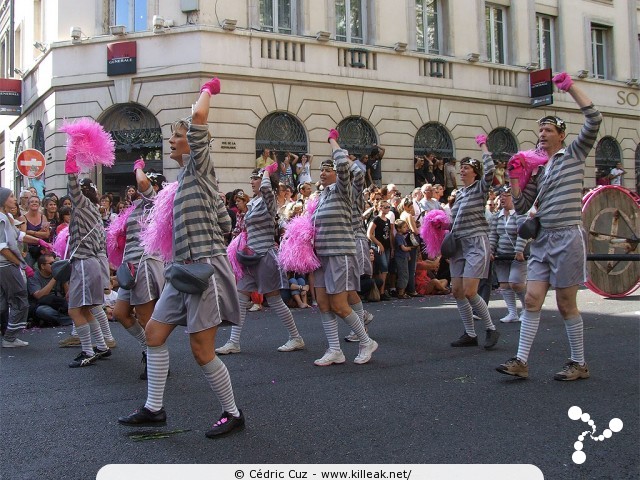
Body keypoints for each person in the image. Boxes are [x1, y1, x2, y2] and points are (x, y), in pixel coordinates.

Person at [118, 77, 246, 438]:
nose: (172, 139)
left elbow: (200, 115)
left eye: (177, 135)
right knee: (155, 334)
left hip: (203, 271)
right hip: (179, 272)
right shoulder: (184, 183)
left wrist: (209, 88)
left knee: (201, 351)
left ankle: (233, 412)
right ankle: (154, 409)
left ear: (193, 144)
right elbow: (222, 220)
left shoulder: (200, 165)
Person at [496, 73, 602, 381]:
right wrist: (514, 174)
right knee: (531, 299)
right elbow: (520, 205)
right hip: (542, 239)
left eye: (549, 129)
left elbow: (594, 118)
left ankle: (579, 363)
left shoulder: (573, 154)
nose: (542, 134)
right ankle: (520, 361)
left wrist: (569, 88)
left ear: (561, 135)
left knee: (566, 303)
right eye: (540, 129)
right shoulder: (540, 170)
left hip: (568, 236)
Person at [216, 163, 305, 355]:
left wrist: (266, 171)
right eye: (252, 178)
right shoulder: (254, 202)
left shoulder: (269, 199)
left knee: (274, 300)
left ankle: (296, 337)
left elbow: (266, 188)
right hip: (250, 258)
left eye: (255, 178)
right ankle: (233, 342)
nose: (252, 181)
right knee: (240, 297)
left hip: (265, 256)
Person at [312, 129, 378, 366]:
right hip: (321, 255)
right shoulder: (321, 196)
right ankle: (334, 350)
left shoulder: (344, 190)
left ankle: (365, 341)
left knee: (340, 305)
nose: (323, 172)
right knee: (323, 303)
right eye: (321, 169)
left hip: (340, 253)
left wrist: (333, 141)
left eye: (328, 169)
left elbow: (345, 167)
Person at [112, 161, 167, 380]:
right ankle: (150, 350)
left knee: (146, 319)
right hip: (131, 265)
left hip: (144, 265)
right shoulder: (137, 208)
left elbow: (142, 182)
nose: (138, 186)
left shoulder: (154, 202)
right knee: (120, 314)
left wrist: (137, 166)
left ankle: (158, 363)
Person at [448, 137, 500, 350]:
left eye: (466, 167)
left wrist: (483, 146)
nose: (462, 171)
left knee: (470, 291)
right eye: (461, 168)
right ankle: (470, 333)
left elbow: (490, 172)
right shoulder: (459, 194)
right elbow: (453, 219)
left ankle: (490, 328)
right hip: (458, 244)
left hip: (476, 242)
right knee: (457, 291)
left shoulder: (480, 188)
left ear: (475, 172)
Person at [0, 188, 49, 347]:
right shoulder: (1, 218)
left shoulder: (7, 217)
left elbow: (19, 235)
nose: (14, 199)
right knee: (20, 299)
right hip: (6, 265)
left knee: (3, 303)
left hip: (7, 265)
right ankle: (9, 338)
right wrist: (20, 263)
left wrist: (40, 241)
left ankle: (10, 336)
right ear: (3, 200)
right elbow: (2, 248)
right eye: (11, 196)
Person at [489, 186, 527, 323]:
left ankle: (526, 309)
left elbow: (523, 234)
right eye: (502, 195)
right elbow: (493, 235)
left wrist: (519, 250)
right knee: (504, 285)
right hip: (502, 255)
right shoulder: (496, 217)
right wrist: (491, 250)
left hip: (517, 255)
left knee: (516, 283)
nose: (503, 198)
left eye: (507, 195)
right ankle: (512, 312)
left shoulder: (520, 214)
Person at [27, 253, 72, 327]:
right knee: (43, 311)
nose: (54, 265)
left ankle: (66, 319)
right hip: (44, 304)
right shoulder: (34, 277)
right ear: (42, 266)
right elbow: (39, 296)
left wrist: (64, 280)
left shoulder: (59, 273)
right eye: (51, 263)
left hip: (60, 303)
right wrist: (54, 278)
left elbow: (69, 297)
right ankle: (71, 320)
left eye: (55, 263)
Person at [367, 199, 393, 301]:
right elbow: (369, 234)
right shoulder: (376, 219)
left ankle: (381, 291)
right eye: (385, 207)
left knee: (384, 270)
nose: (387, 209)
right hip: (378, 246)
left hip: (387, 246)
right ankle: (380, 292)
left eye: (388, 207)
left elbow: (390, 235)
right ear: (380, 208)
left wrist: (392, 247)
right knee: (384, 267)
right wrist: (378, 244)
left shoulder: (388, 220)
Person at [393, 219, 414, 299]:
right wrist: (409, 248)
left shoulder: (401, 236)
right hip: (400, 258)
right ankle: (401, 292)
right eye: (404, 227)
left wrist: (408, 255)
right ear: (398, 228)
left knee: (406, 273)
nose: (406, 228)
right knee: (403, 274)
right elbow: (403, 248)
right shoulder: (398, 237)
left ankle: (403, 291)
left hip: (404, 257)